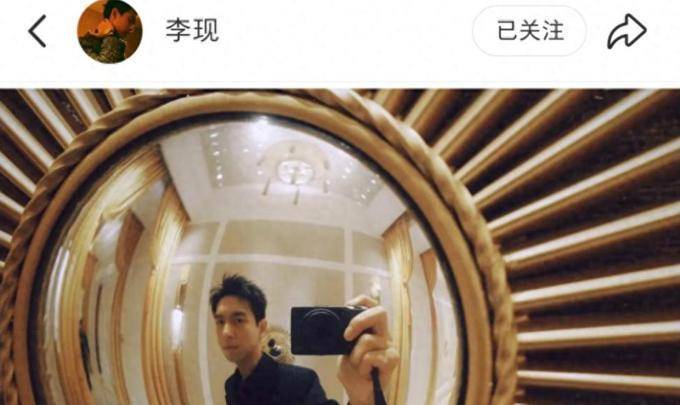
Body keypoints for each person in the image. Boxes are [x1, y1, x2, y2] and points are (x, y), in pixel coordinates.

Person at [209, 274, 399, 405]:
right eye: (220, 321)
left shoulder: (300, 382)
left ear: (262, 327)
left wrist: (364, 400)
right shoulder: (231, 384)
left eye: (238, 320)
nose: (226, 332)